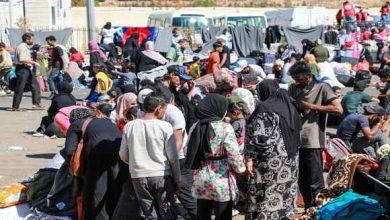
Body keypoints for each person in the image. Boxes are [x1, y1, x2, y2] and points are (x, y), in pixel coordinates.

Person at [288, 61, 343, 209]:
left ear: (308, 75)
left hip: (313, 140)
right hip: (296, 139)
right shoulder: (293, 88)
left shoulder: (323, 87)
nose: (296, 82)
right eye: (294, 79)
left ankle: (319, 210)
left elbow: (338, 110)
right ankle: (308, 209)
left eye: (299, 79)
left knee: (315, 180)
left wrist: (310, 106)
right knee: (302, 180)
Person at [245, 80, 301, 219]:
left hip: (269, 161)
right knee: (285, 190)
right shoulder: (290, 106)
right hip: (290, 160)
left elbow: (260, 138)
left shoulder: (265, 108)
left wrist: (249, 157)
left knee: (267, 191)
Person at [119, 94, 181, 219]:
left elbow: (123, 154)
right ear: (159, 108)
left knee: (148, 213)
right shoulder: (165, 126)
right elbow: (173, 157)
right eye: (164, 109)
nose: (164, 112)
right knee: (167, 211)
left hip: (138, 176)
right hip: (161, 174)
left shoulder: (130, 126)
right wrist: (177, 178)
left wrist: (135, 163)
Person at [185, 94, 246, 220]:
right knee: (222, 215)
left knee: (202, 213)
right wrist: (241, 169)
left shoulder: (195, 126)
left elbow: (187, 151)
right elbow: (233, 154)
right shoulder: (225, 127)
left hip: (201, 176)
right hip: (221, 177)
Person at [63, 108, 126, 220]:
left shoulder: (76, 124)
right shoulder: (107, 121)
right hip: (120, 153)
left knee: (96, 189)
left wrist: (75, 172)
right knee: (115, 186)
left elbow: (69, 151)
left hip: (97, 153)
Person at [12, 32, 43, 111]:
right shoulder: (22, 47)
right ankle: (15, 107)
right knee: (20, 88)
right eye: (32, 39)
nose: (33, 41)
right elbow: (22, 59)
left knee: (35, 85)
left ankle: (36, 103)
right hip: (22, 69)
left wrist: (31, 61)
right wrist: (33, 62)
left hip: (27, 68)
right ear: (27, 39)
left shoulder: (25, 47)